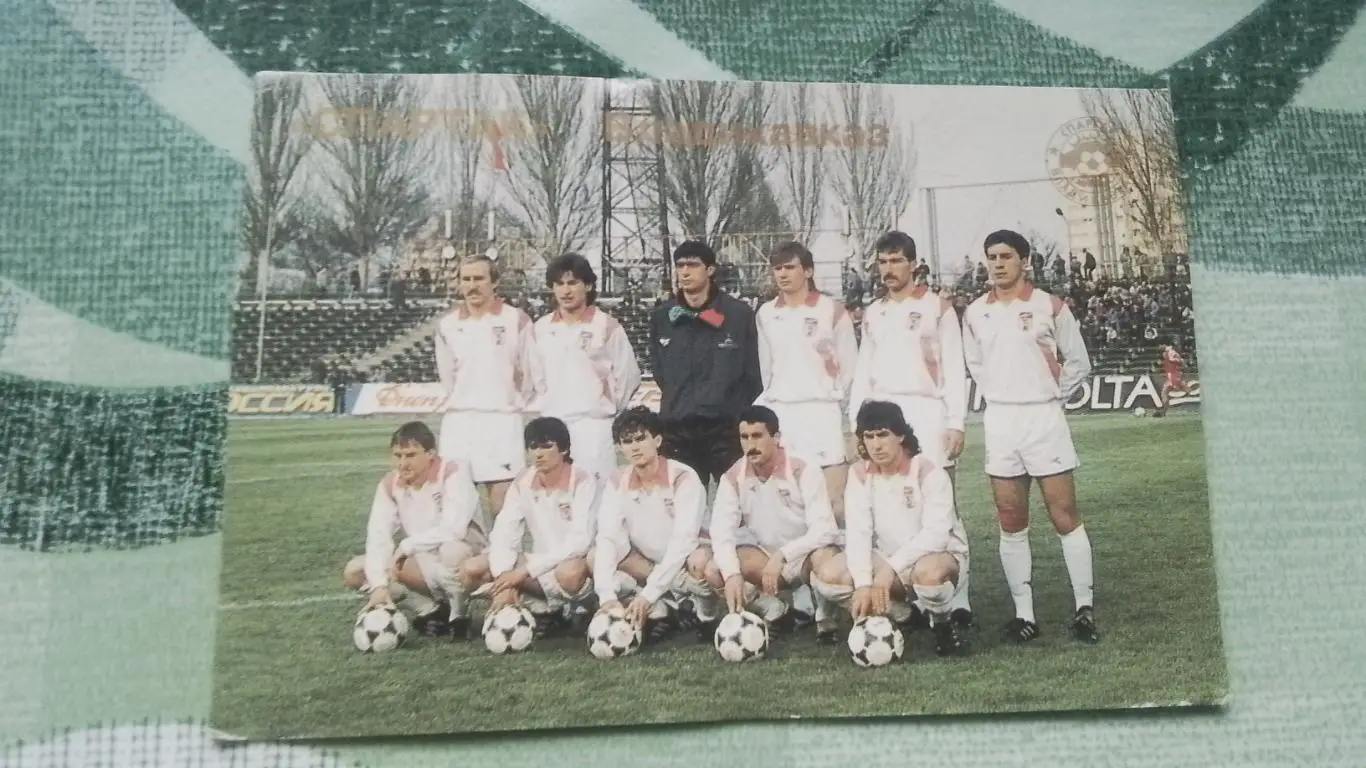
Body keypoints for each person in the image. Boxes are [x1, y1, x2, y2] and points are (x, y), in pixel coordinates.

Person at [962, 229, 1099, 644]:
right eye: (991, 257)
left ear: (1024, 261)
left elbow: (1079, 362)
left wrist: (1051, 393)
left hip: (1043, 419)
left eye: (1005, 256)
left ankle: (1084, 608)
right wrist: (1003, 393)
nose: (997, 264)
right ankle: (1025, 614)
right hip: (1001, 421)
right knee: (1010, 519)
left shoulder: (1049, 306)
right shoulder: (974, 313)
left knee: (1064, 516)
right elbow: (976, 365)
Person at [848, 231, 973, 626]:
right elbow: (863, 370)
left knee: (942, 503)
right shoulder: (874, 313)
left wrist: (956, 421)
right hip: (884, 413)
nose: (889, 269)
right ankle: (907, 593)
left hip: (927, 410)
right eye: (883, 262)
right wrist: (855, 423)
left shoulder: (937, 308)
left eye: (896, 260)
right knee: (890, 500)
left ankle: (958, 598)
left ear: (913, 264)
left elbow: (954, 366)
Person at [811, 401, 972, 656]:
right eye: (869, 436)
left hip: (936, 558)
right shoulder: (860, 474)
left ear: (901, 435)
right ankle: (904, 615)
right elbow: (859, 532)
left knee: (930, 575)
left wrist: (890, 570)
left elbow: (936, 536)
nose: (876, 445)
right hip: (887, 559)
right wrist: (863, 584)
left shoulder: (929, 472)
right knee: (828, 578)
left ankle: (942, 624)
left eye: (883, 435)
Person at [693, 406, 843, 644]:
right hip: (765, 557)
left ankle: (825, 620)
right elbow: (721, 533)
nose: (750, 444)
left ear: (776, 437)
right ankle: (774, 609)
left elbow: (825, 529)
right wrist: (732, 575)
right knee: (714, 569)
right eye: (744, 437)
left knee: (825, 556)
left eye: (757, 436)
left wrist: (784, 555)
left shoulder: (803, 469)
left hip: (804, 557)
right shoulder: (733, 477)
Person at [342, 421, 486, 639]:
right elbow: (378, 536)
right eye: (398, 456)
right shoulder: (390, 484)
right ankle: (430, 610)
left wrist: (407, 545)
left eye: (410, 455)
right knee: (355, 571)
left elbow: (454, 529)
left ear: (431, 454)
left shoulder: (453, 471)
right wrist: (379, 586)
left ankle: (459, 616)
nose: (403, 463)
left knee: (451, 550)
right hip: (423, 565)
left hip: (469, 564)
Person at [461, 417, 599, 637]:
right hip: (541, 564)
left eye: (547, 446)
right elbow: (504, 533)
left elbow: (580, 541)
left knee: (569, 574)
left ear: (564, 449)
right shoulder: (523, 481)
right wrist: (504, 578)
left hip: (577, 561)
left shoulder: (583, 480)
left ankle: (589, 608)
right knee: (473, 568)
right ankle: (543, 610)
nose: (539, 454)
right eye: (533, 447)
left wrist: (523, 572)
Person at [589, 406, 715, 644]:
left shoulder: (683, 476)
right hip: (648, 561)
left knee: (700, 562)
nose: (634, 447)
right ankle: (663, 609)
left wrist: (648, 594)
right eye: (627, 442)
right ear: (619, 448)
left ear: (657, 440)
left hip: (689, 556)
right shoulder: (617, 480)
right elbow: (607, 536)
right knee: (597, 556)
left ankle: (705, 616)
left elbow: (684, 541)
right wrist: (606, 596)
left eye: (640, 439)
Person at [754, 241, 859, 520]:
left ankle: (836, 548)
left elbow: (850, 367)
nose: (782, 274)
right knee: (789, 498)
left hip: (822, 412)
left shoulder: (832, 310)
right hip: (784, 413)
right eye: (777, 268)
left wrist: (836, 400)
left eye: (790, 267)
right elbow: (767, 369)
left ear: (808, 271)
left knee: (834, 502)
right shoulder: (766, 314)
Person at [648, 241, 763, 490]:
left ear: (710, 270)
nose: (685, 272)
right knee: (683, 505)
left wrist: (730, 407)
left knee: (735, 502)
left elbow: (754, 374)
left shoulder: (738, 315)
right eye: (680, 265)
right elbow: (660, 371)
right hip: (677, 429)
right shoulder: (662, 317)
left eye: (692, 265)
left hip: (726, 429)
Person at [433, 255, 540, 517]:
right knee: (458, 511)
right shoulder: (447, 326)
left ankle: (501, 546)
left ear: (495, 282)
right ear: (459, 283)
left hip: (501, 421)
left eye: (479, 278)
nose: (472, 285)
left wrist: (509, 399)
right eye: (466, 279)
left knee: (503, 508)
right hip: (459, 423)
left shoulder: (516, 320)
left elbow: (531, 372)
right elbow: (447, 376)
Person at [531, 253, 642, 484]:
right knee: (558, 494)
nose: (566, 291)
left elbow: (628, 375)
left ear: (588, 285)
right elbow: (536, 377)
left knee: (598, 494)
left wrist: (606, 407)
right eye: (559, 284)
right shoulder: (541, 329)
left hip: (594, 427)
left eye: (573, 283)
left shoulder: (606, 326)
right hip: (553, 424)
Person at [1156, 341, 1185, 417]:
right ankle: (1163, 412)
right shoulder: (1170, 352)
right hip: (1174, 375)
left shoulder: (1169, 352)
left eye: (1160, 345)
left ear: (1164, 344)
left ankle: (1163, 412)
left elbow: (1174, 360)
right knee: (1164, 393)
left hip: (1173, 376)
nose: (1159, 347)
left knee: (1164, 393)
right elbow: (1179, 361)